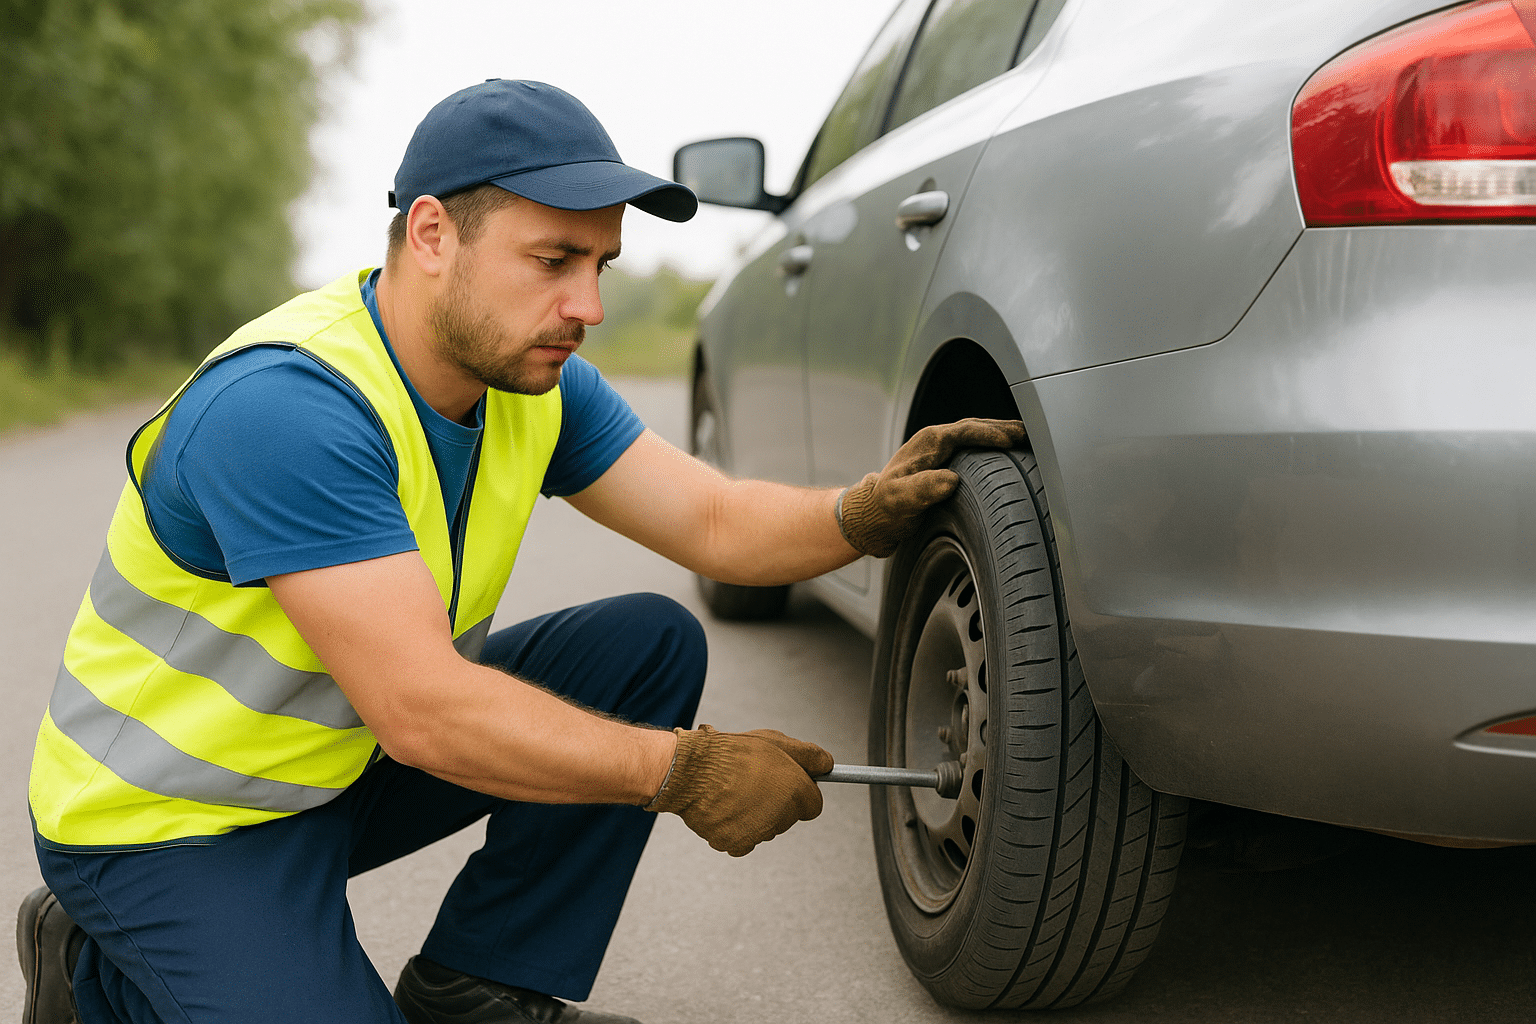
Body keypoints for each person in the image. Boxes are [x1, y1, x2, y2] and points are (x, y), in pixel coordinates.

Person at [17, 79, 1027, 1024]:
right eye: (553, 261)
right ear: (432, 237)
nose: (587, 306)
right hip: (170, 826)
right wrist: (685, 771)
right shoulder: (288, 409)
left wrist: (859, 512)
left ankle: (480, 986)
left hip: (337, 767)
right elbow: (424, 710)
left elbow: (714, 522)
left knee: (644, 646)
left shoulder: (524, 381)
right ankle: (98, 970)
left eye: (600, 267)